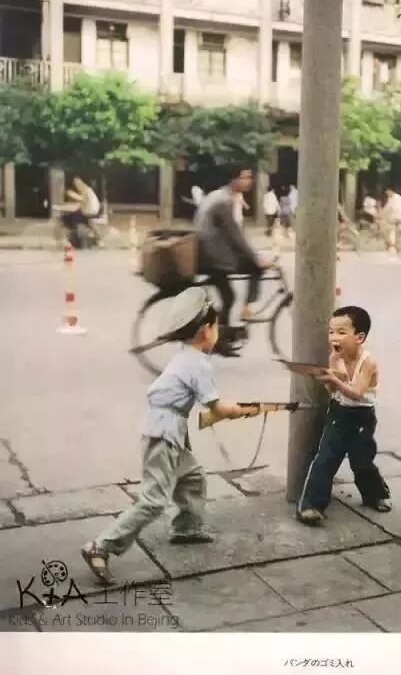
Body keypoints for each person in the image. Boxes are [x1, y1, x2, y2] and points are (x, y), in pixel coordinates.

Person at [80, 287, 261, 583]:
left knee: (192, 476)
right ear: (207, 331)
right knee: (153, 500)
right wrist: (244, 410)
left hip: (166, 429)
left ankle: (187, 527)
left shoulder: (185, 355)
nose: (218, 332)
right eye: (217, 326)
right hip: (163, 433)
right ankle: (101, 546)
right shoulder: (199, 364)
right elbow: (216, 408)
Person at [297, 306, 391, 525]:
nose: (334, 337)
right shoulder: (335, 357)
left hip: (362, 416)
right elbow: (334, 391)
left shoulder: (368, 362)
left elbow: (357, 393)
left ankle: (375, 495)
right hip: (339, 412)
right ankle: (311, 506)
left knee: (362, 460)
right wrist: (328, 381)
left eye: (341, 332)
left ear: (359, 337)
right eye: (331, 332)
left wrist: (334, 380)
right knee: (325, 457)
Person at [194, 166, 273, 356]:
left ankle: (220, 337)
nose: (249, 181)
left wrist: (252, 253)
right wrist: (256, 258)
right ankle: (246, 309)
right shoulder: (224, 201)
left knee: (228, 296)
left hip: (210, 253)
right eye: (245, 177)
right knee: (253, 269)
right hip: (214, 257)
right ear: (233, 179)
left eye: (250, 177)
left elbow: (236, 234)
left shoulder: (222, 196)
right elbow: (235, 235)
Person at [62, 177, 101, 249]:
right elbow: (82, 203)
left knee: (70, 217)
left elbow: (84, 201)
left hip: (91, 211)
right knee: (71, 216)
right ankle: (72, 238)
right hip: (88, 210)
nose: (77, 187)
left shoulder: (86, 190)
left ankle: (72, 239)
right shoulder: (85, 190)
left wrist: (73, 195)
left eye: (77, 185)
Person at [380, 186, 401, 256]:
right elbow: (387, 207)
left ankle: (392, 245)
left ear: (392, 191)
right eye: (386, 193)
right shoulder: (391, 198)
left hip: (399, 216)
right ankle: (390, 243)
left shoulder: (397, 198)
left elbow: (392, 207)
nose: (387, 194)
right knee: (386, 224)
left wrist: (383, 214)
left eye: (388, 192)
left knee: (389, 226)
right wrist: (381, 213)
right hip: (394, 215)